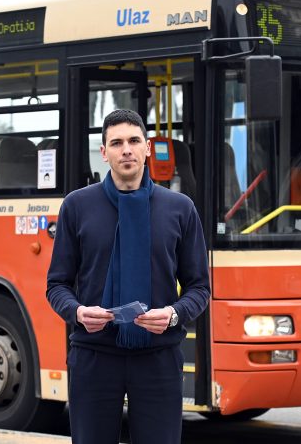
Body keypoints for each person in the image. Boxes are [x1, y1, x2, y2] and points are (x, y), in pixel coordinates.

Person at [46, 109, 210, 444]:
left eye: (134, 141)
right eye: (117, 143)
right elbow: (57, 284)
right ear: (104, 152)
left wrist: (173, 314)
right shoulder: (76, 207)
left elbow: (200, 287)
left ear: (147, 147)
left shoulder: (180, 208)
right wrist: (77, 312)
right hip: (94, 356)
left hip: (158, 358)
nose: (127, 150)